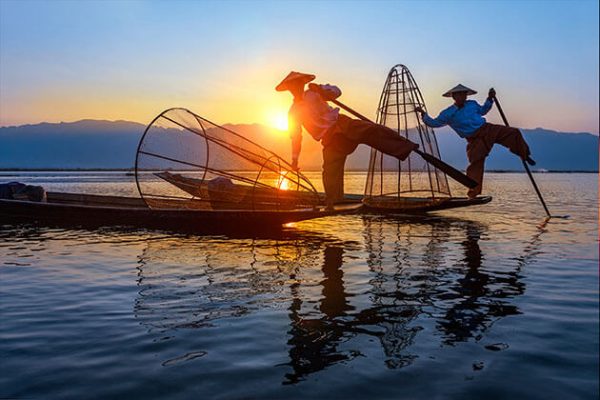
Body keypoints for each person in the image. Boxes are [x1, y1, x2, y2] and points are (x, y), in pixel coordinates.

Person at [276, 71, 419, 207]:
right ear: (289, 88)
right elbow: (295, 137)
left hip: (343, 124)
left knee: (374, 130)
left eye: (298, 83)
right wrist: (295, 159)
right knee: (330, 170)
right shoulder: (293, 111)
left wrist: (321, 90)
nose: (296, 87)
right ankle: (334, 201)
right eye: (293, 85)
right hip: (330, 138)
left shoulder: (313, 92)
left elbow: (337, 91)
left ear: (302, 82)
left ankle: (406, 146)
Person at [415, 84, 534, 198]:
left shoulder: (472, 104)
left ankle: (524, 154)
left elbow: (483, 110)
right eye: (459, 95)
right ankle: (474, 190)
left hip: (487, 129)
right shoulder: (448, 113)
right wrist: (423, 114)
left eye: (464, 94)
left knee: (513, 133)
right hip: (474, 139)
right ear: (454, 97)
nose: (463, 97)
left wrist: (490, 98)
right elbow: (433, 123)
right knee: (476, 162)